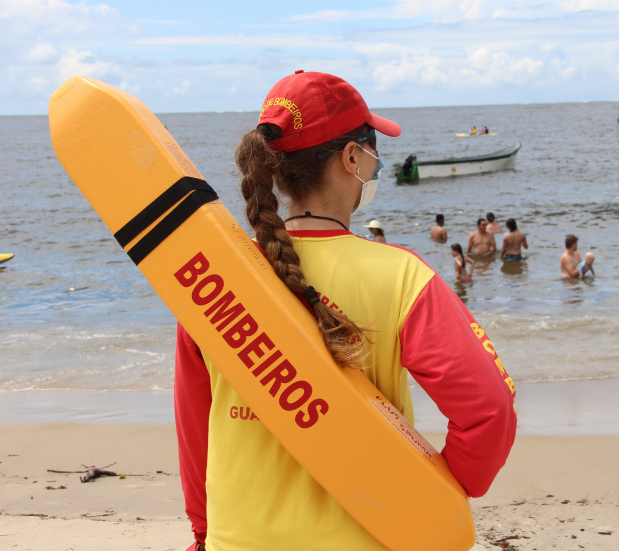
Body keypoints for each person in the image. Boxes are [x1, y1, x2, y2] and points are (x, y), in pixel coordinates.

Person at [174, 70, 516, 551]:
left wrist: (203, 532)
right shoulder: (402, 276)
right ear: (352, 157)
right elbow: (489, 409)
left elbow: (195, 427)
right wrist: (439, 493)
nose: (377, 164)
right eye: (374, 149)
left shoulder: (214, 279)